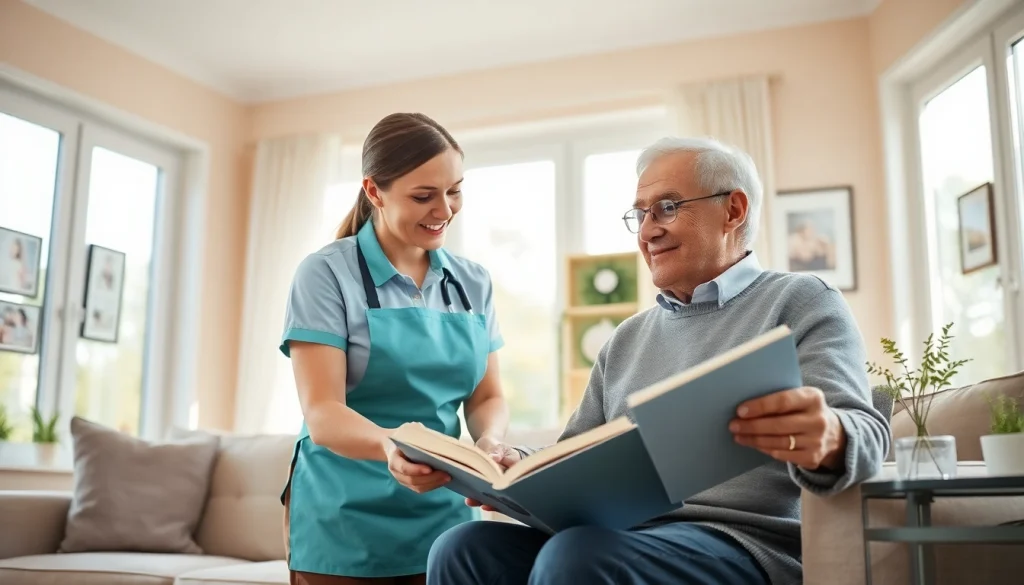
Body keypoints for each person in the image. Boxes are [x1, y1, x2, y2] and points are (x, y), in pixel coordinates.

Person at [426, 136, 891, 585]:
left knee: (579, 554)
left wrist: (829, 434)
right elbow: (573, 457)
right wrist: (513, 465)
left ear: (733, 210)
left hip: (744, 543)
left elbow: (867, 433)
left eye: (667, 207)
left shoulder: (801, 301)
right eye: (640, 214)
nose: (648, 230)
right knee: (462, 547)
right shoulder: (626, 339)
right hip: (624, 540)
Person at [279, 112, 511, 585]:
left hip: (446, 517)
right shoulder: (326, 276)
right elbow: (322, 411)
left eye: (454, 190)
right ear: (374, 192)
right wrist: (390, 446)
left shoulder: (472, 282)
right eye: (423, 196)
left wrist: (489, 442)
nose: (444, 210)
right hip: (345, 519)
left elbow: (487, 397)